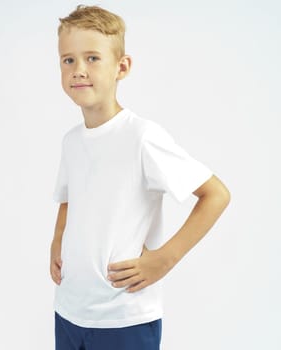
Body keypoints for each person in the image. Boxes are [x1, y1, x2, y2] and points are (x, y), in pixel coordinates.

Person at [49, 5, 231, 350]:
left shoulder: (142, 137)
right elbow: (68, 196)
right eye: (68, 60)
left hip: (124, 317)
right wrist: (57, 241)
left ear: (122, 66)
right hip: (70, 311)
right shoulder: (72, 141)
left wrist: (165, 258)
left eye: (92, 58)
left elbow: (216, 195)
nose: (79, 70)